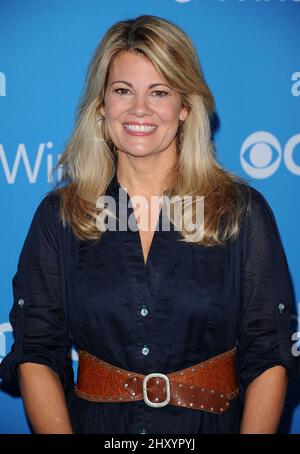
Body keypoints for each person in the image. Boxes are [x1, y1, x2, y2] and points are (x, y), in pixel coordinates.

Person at [0, 14, 297, 435]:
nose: (139, 109)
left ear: (185, 107)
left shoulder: (241, 213)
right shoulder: (60, 216)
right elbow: (37, 352)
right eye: (123, 90)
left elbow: (268, 356)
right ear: (102, 105)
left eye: (159, 92)